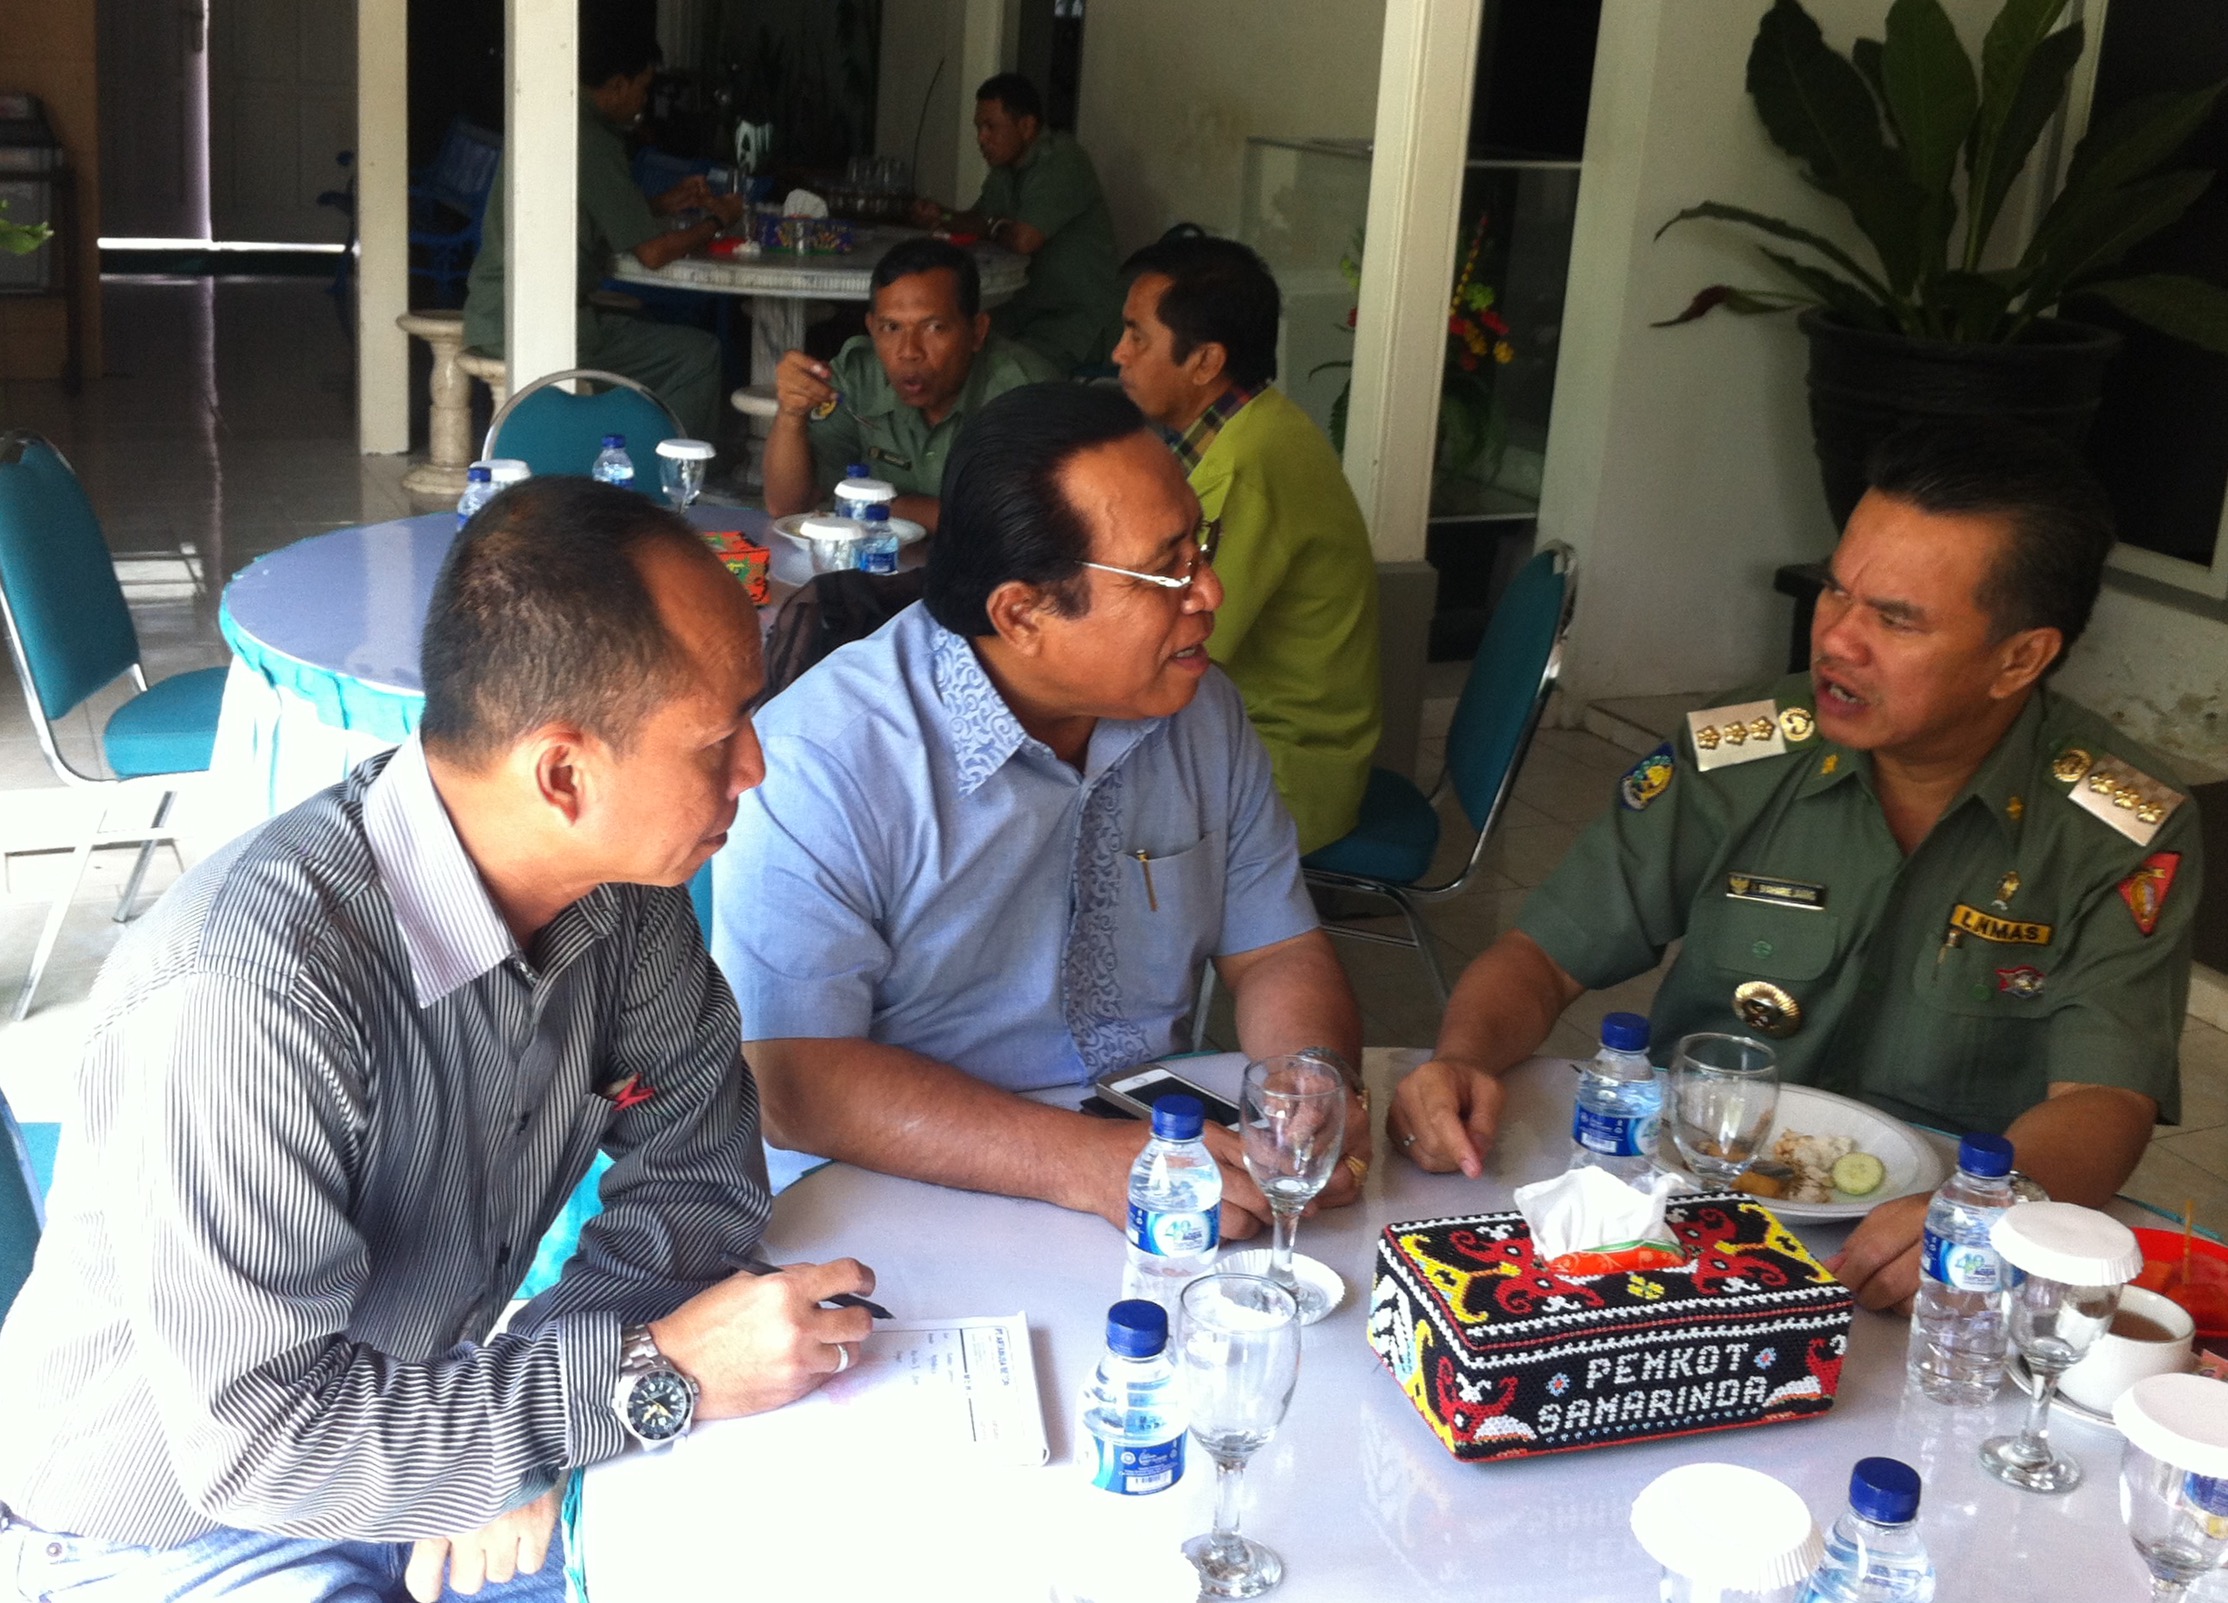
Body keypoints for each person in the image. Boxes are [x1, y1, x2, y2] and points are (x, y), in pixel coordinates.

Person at [0, 480, 876, 1600]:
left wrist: (538, 1417)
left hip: (416, 1426)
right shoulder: (250, 999)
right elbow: (261, 1443)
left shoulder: (619, 888)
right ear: (564, 773)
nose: (754, 767)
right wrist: (629, 1384)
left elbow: (698, 1178)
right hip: (171, 1529)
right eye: (718, 737)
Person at [1387, 418, 2202, 1315]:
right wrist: (1461, 1059)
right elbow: (1541, 958)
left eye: (1895, 619)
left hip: (1933, 1262)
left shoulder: (2115, 829)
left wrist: (1978, 1209)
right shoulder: (1740, 754)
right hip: (1679, 1226)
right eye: (1836, 593)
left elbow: (2104, 1097)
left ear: (2020, 657)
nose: (1838, 642)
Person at [711, 384, 1371, 1230]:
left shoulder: (1203, 713)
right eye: (1166, 568)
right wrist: (1080, 1160)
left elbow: (1278, 949)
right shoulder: (826, 760)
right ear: (1021, 612)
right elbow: (793, 1079)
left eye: (1200, 545)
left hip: (1151, 1168)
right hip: (897, 1192)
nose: (1209, 591)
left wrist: (1309, 1083)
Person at [1115, 236, 1383, 854]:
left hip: (1288, 766)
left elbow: (1173, 643)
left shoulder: (1247, 465)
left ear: (1205, 361)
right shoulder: (1252, 427)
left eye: (1138, 337)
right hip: (1248, 732)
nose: (1119, 353)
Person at [461, 1, 740, 439]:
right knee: (698, 352)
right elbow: (652, 255)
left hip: (494, 310)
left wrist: (664, 204)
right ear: (616, 84)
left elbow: (594, 211)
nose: (644, 102)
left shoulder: (557, 121)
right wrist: (718, 222)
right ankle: (672, 471)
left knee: (650, 339)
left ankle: (630, 446)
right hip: (540, 323)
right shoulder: (592, 141)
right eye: (643, 89)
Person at [763, 237, 1060, 532]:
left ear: (977, 332)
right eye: (891, 328)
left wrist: (894, 509)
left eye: (934, 328)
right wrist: (791, 414)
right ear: (872, 329)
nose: (909, 351)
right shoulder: (859, 374)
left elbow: (1027, 525)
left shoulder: (1025, 393)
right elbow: (787, 507)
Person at [909, 73, 1120, 373]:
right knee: (950, 345)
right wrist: (942, 215)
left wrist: (990, 226)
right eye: (979, 128)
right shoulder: (1004, 169)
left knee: (994, 372)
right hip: (1024, 311)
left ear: (1026, 126)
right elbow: (980, 220)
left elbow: (1024, 240)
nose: (982, 138)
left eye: (991, 127)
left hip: (1074, 321)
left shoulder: (1062, 161)